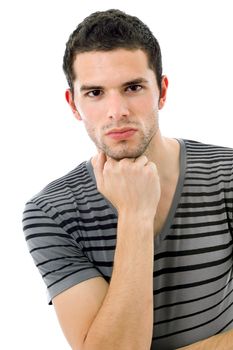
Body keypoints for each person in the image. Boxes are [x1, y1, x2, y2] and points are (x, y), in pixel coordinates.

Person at [22, 8, 233, 350]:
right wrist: (135, 215)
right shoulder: (49, 212)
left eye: (133, 87)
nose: (116, 110)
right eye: (95, 93)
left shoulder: (227, 173)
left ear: (162, 92)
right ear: (73, 105)